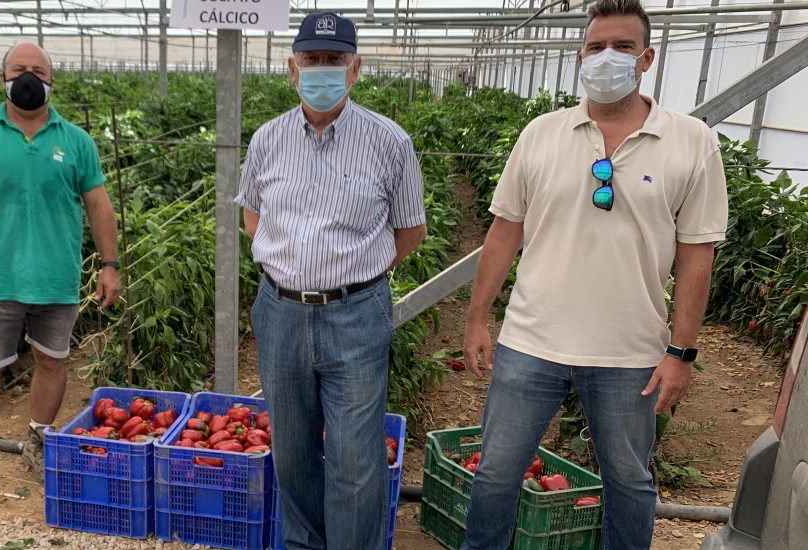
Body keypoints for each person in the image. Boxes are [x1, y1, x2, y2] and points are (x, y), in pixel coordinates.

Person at [460, 1, 728, 548]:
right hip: (532, 340)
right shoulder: (541, 133)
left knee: (629, 481)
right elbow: (504, 232)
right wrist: (477, 318)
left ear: (647, 58)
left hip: (630, 352)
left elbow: (697, 253)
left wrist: (682, 352)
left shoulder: (690, 140)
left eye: (623, 47)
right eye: (595, 46)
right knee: (496, 474)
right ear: (579, 56)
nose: (607, 57)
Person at [236, 12, 428, 550]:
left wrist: (354, 275)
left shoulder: (389, 141)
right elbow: (254, 217)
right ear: (292, 69)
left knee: (355, 457)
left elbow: (410, 230)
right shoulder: (268, 140)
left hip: (356, 314)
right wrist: (290, 267)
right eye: (312, 59)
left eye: (334, 60)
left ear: (355, 69)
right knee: (293, 451)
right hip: (280, 312)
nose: (322, 70)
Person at [0, 42, 121, 501]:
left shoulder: (76, 140)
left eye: (38, 70)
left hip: (56, 277)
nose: (29, 77)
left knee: (52, 361)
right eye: (19, 69)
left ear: (52, 81)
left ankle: (37, 439)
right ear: (2, 79)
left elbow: (98, 205)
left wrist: (110, 264)